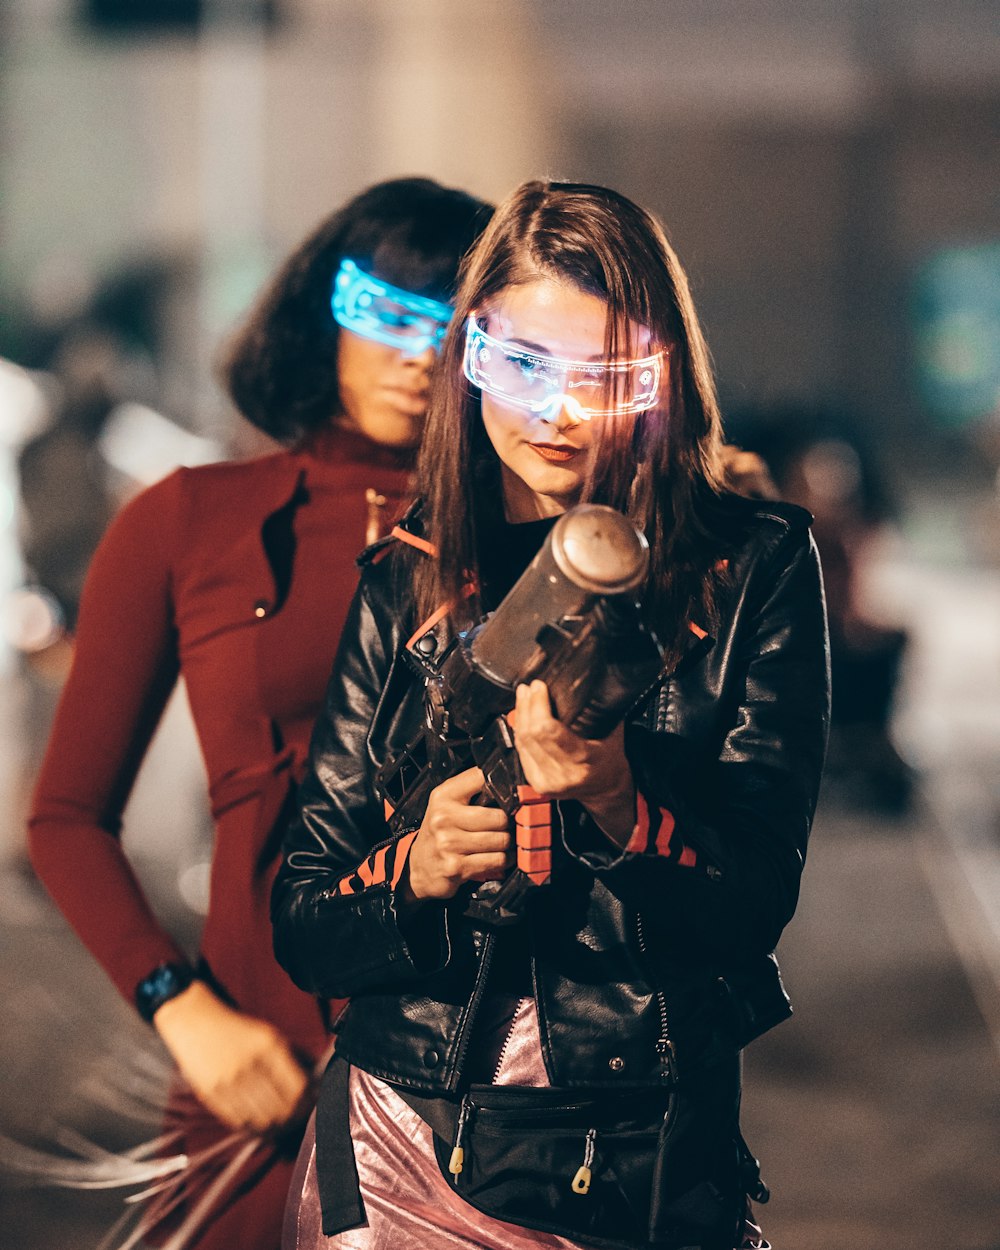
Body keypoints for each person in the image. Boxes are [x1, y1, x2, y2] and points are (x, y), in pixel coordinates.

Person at [271, 179, 830, 1250]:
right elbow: (305, 916)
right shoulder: (410, 574)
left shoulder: (749, 565)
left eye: (602, 377)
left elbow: (750, 900)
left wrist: (619, 800)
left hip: (630, 1149)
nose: (557, 413)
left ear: (659, 377)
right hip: (399, 1128)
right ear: (469, 354)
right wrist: (417, 867)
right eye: (521, 365)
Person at [26, 176, 493, 1250]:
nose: (416, 351)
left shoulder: (523, 533)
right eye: (386, 311)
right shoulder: (191, 519)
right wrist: (180, 1009)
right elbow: (65, 817)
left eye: (453, 323)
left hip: (480, 1087)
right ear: (322, 310)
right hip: (259, 1078)